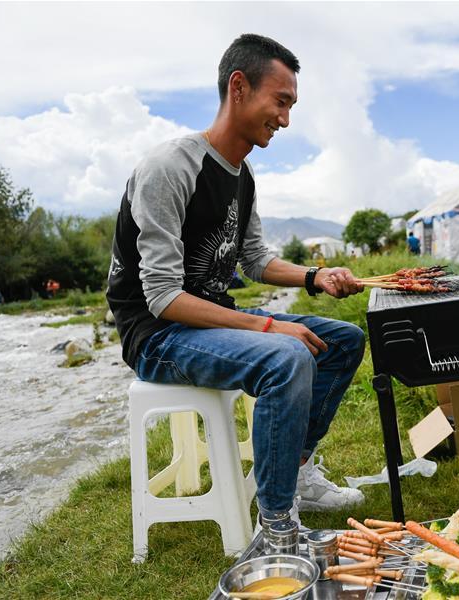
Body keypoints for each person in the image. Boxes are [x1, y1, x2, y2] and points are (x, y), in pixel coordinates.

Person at [106, 35, 367, 529]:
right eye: (281, 102)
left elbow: (253, 260)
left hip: (206, 325)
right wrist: (268, 328)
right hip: (157, 335)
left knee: (343, 341)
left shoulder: (242, 176)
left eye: (290, 107)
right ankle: (276, 527)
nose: (285, 120)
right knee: (287, 357)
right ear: (239, 87)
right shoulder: (170, 168)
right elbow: (161, 297)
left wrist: (316, 276)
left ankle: (298, 472)